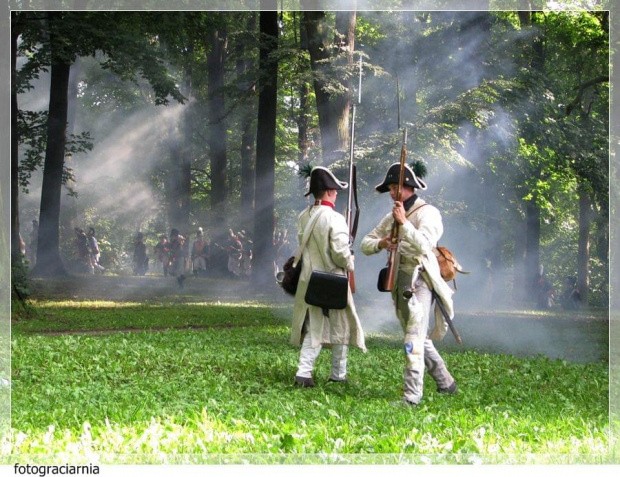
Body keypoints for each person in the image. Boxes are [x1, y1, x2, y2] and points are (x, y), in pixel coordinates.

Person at [361, 162, 457, 406]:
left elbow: (425, 245)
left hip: (421, 280)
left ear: (409, 187)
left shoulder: (428, 213)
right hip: (399, 280)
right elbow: (365, 243)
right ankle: (446, 382)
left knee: (413, 338)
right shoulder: (391, 215)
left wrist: (404, 224)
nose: (393, 193)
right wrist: (382, 243)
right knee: (419, 336)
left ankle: (411, 397)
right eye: (391, 188)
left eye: (397, 187)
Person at [291, 166, 366, 387]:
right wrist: (351, 263)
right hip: (334, 279)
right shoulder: (335, 218)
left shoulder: (304, 216)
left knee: (314, 326)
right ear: (331, 192)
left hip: (310, 280)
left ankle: (304, 373)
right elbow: (341, 254)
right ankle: (338, 375)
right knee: (340, 327)